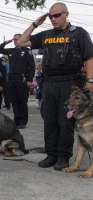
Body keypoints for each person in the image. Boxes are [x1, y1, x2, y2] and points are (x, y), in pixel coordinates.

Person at [17, 2, 93, 170]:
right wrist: (36, 23)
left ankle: (63, 157)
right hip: (49, 83)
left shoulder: (79, 34)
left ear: (66, 14)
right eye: (51, 16)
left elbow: (89, 58)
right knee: (49, 120)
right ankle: (51, 154)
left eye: (57, 15)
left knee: (64, 121)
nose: (53, 19)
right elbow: (21, 42)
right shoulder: (46, 34)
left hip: (70, 83)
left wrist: (90, 81)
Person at [0, 34, 35, 129]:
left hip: (22, 79)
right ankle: (16, 120)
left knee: (22, 101)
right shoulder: (11, 51)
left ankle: (22, 121)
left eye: (16, 39)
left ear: (22, 39)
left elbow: (32, 66)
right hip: (12, 79)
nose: (15, 41)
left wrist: (30, 79)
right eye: (14, 40)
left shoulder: (27, 51)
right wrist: (7, 42)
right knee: (14, 101)